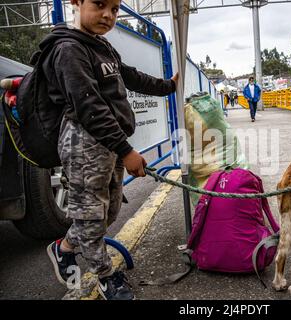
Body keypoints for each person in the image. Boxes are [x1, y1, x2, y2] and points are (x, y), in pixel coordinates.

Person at [44, 0, 178, 300]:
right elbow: (89, 105)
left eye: (115, 9)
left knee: (109, 211)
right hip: (83, 142)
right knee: (91, 217)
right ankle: (106, 277)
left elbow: (130, 76)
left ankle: (63, 248)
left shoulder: (100, 46)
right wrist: (126, 150)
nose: (108, 15)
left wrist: (167, 86)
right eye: (100, 4)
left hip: (108, 142)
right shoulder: (68, 49)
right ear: (76, 3)